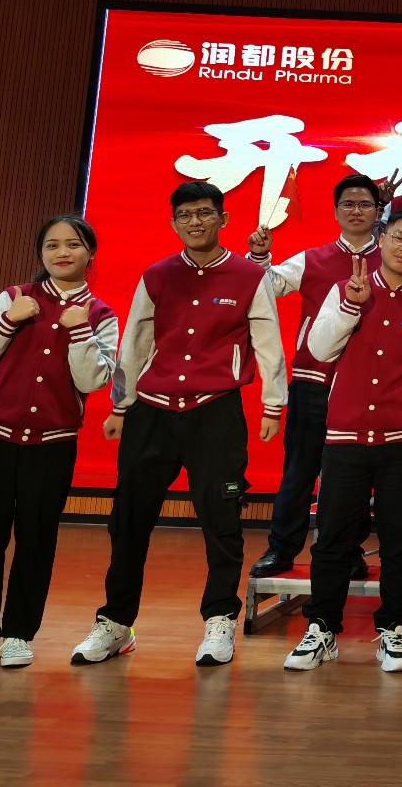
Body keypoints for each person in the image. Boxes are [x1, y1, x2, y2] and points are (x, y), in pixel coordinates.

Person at [72, 182, 286, 668]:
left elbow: (268, 340)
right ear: (173, 223)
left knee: (221, 519)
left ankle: (220, 619)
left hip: (215, 410)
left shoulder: (248, 276)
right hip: (152, 411)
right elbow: (134, 341)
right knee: (128, 520)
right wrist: (121, 405)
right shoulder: (157, 275)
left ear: (223, 219)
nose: (195, 222)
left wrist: (274, 405)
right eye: (186, 215)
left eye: (205, 213)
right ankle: (115, 623)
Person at [282, 211, 402, 673]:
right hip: (345, 437)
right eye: (398, 237)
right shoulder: (345, 291)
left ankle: (394, 628)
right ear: (381, 240)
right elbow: (319, 349)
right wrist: (350, 308)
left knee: (401, 541)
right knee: (332, 538)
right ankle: (322, 627)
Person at [0, 215, 119, 670]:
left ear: (90, 253)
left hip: (52, 443)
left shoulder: (101, 315)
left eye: (73, 244)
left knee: (36, 541)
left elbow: (93, 381)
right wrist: (9, 320)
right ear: (41, 253)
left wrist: (80, 330)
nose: (62, 253)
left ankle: (17, 635)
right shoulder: (14, 298)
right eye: (52, 245)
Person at [247, 173, 383, 579]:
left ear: (378, 212)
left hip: (365, 385)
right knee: (300, 469)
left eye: (365, 204)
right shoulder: (313, 258)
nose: (356, 211)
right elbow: (268, 288)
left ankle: (347, 550)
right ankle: (281, 548)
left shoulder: (394, 260)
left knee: (354, 476)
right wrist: (260, 257)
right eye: (348, 204)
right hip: (313, 380)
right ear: (336, 212)